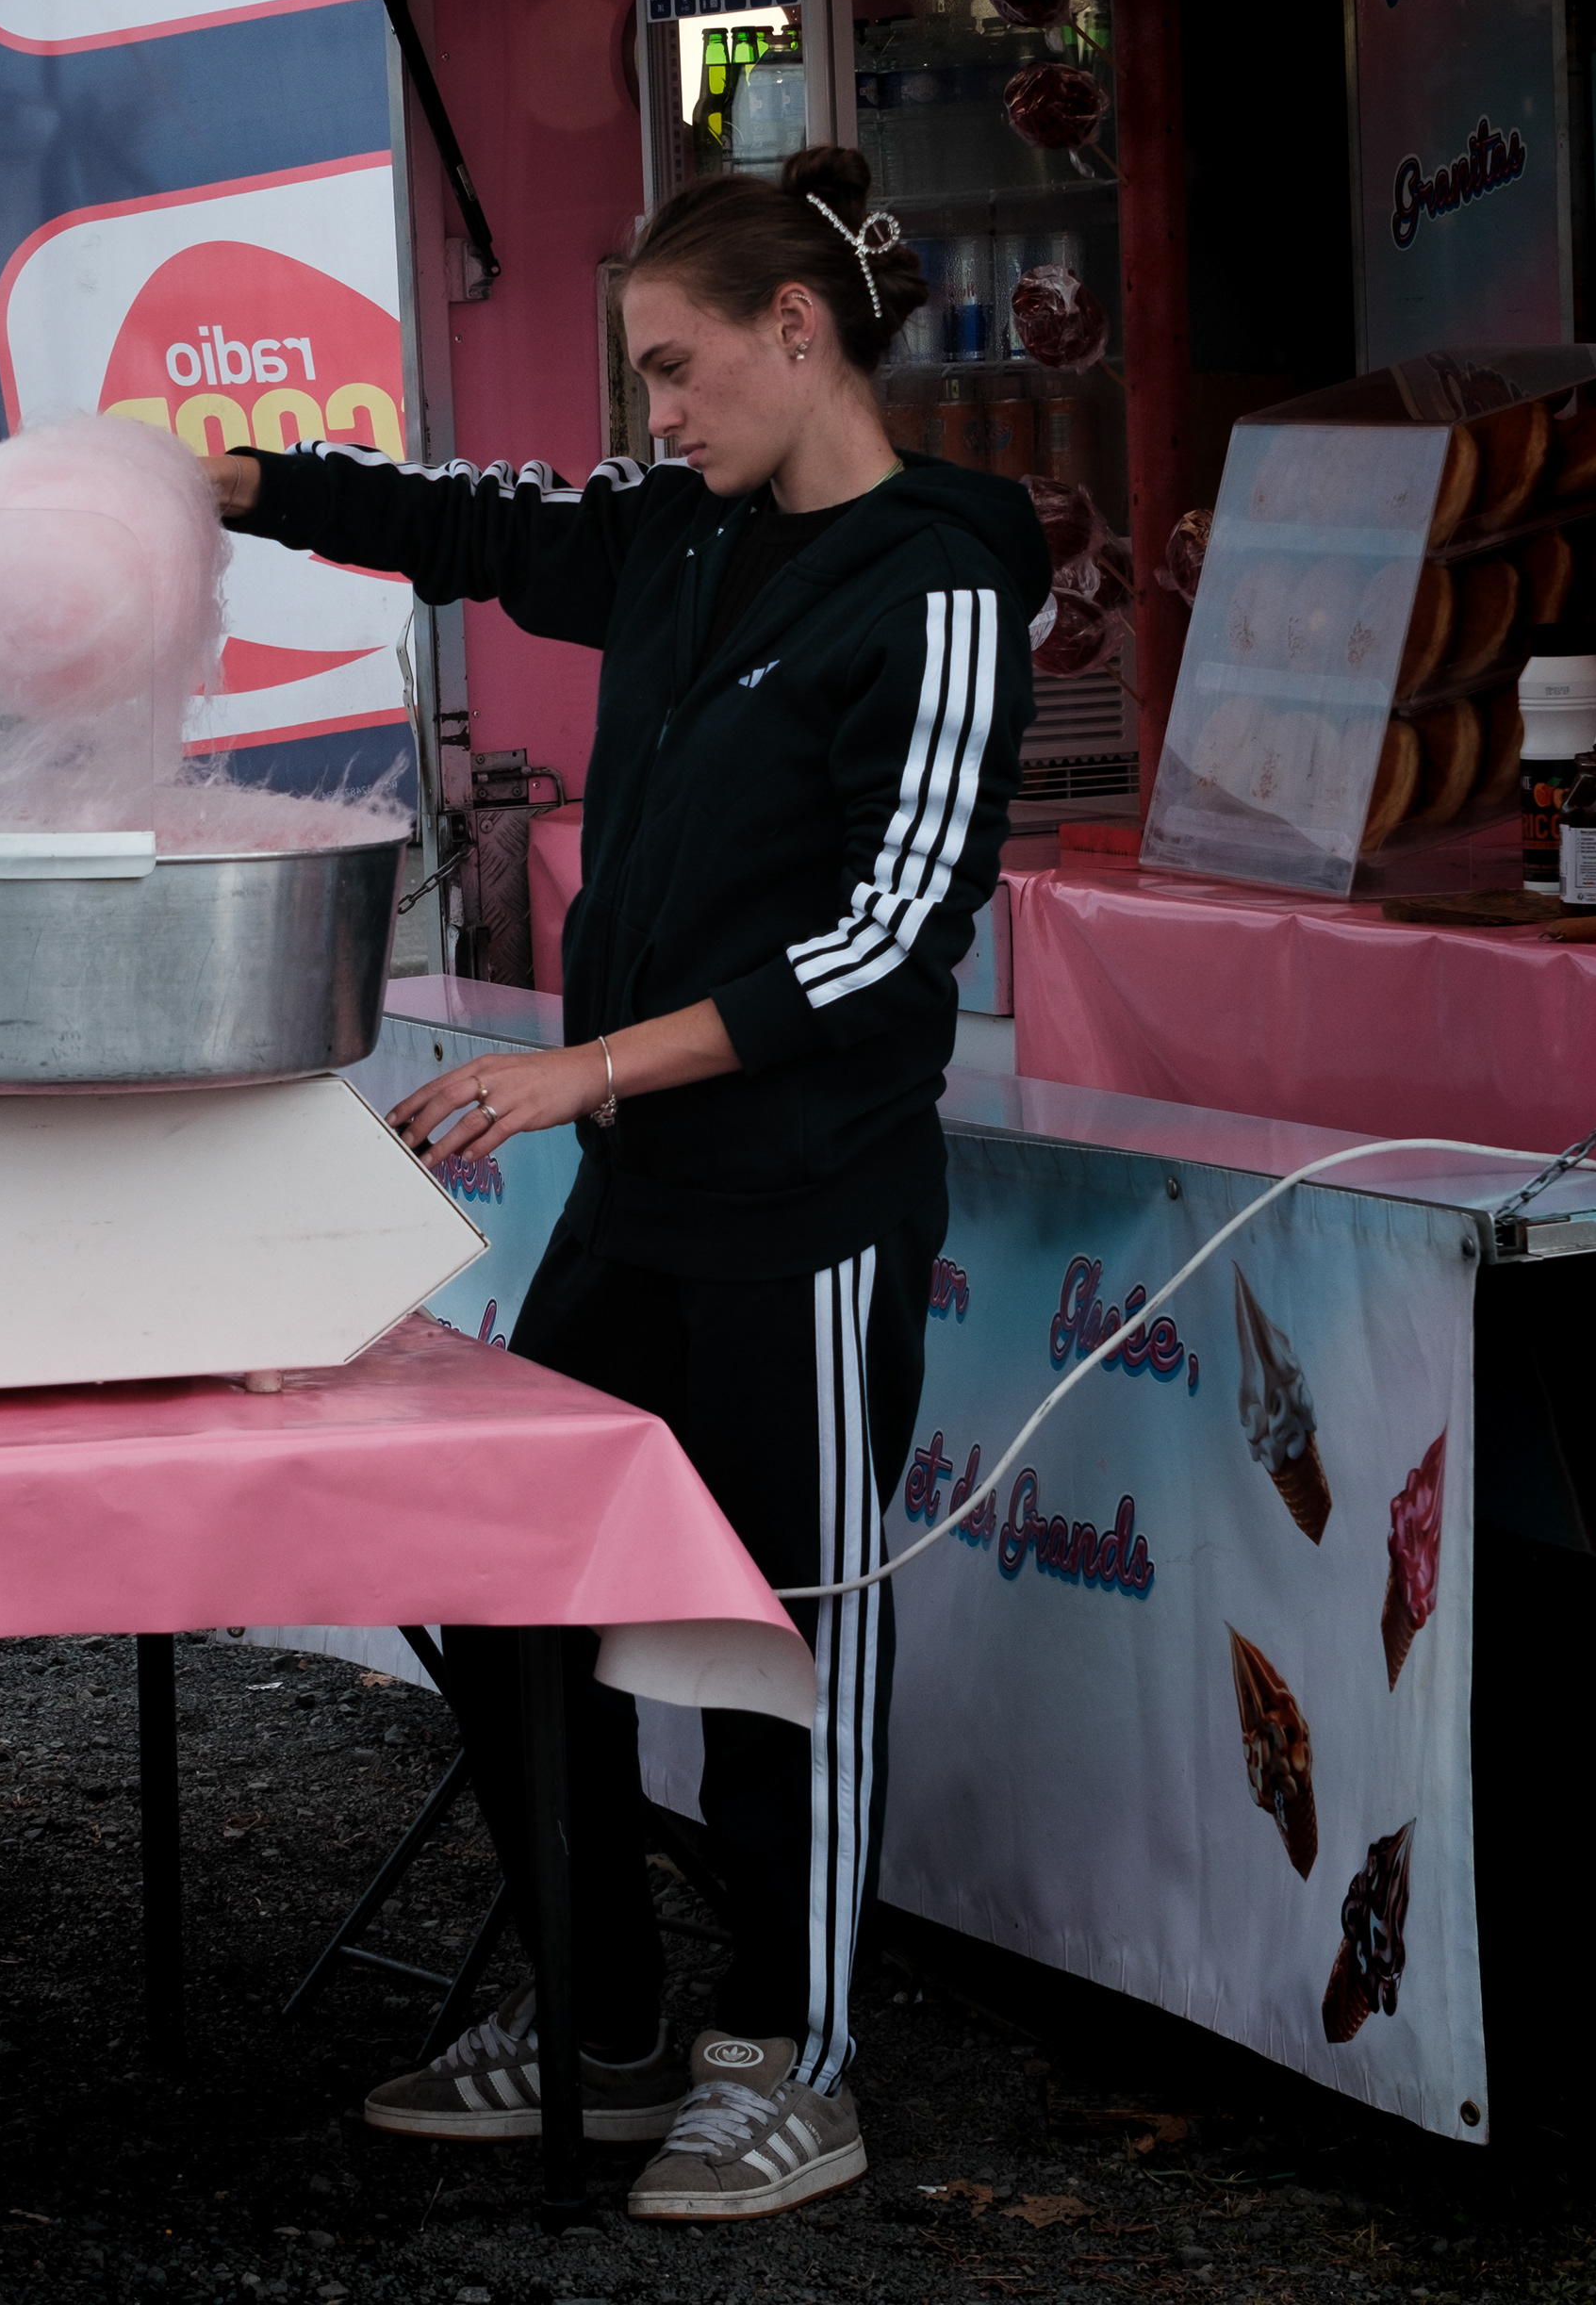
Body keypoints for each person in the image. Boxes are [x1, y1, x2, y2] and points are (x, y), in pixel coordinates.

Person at [208, 145, 1046, 2220]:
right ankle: (598, 2017)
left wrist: (577, 1071)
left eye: (676, 367)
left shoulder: (941, 579)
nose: (653, 412)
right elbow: (469, 528)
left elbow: (887, 943)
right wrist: (231, 487)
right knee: (495, 1578)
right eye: (640, 377)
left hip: (810, 1204)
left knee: (782, 1640)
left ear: (797, 329)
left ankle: (794, 2054)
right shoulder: (679, 530)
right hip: (645, 1189)